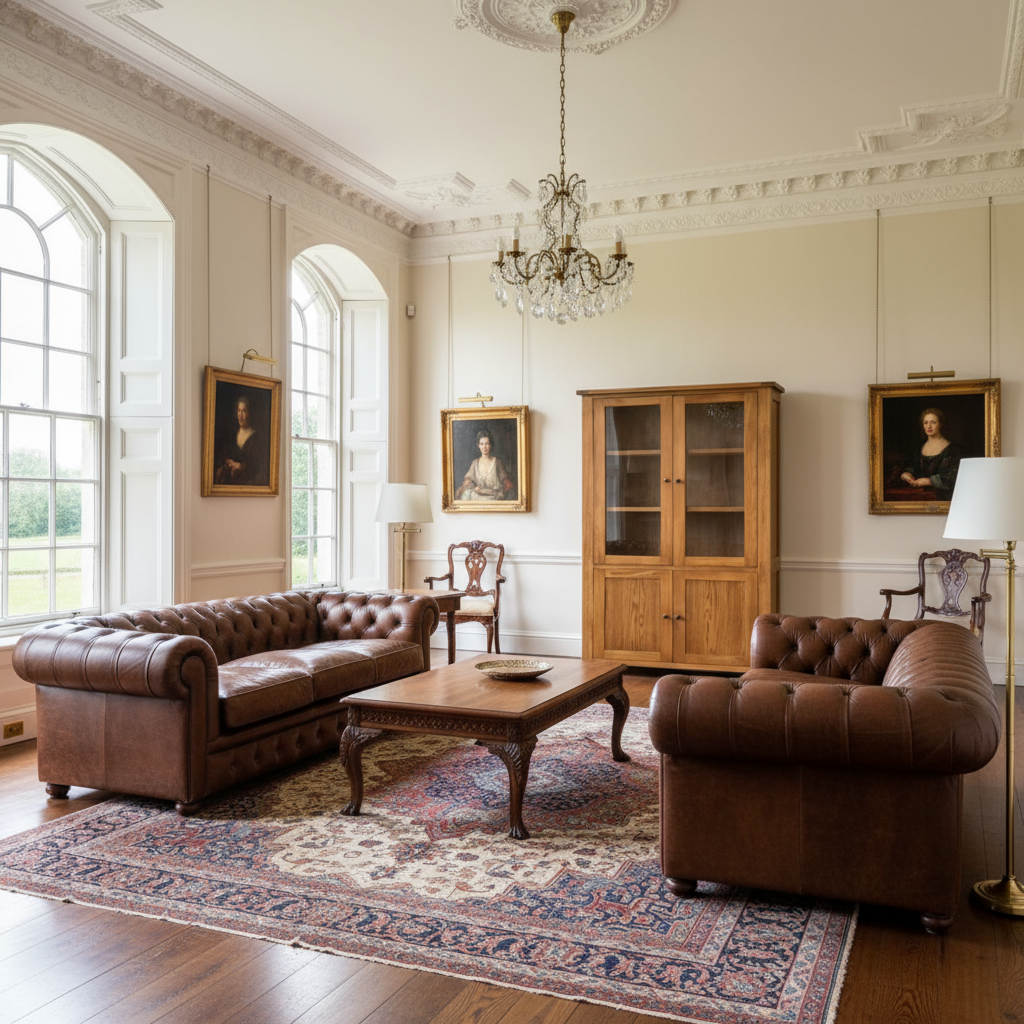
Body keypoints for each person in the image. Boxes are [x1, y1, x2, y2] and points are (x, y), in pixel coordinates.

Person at [900, 407, 961, 498]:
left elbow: (952, 477)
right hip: (919, 495)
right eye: (926, 422)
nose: (929, 426)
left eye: (933, 422)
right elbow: (913, 467)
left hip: (942, 497)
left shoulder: (951, 449)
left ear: (940, 424)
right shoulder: (920, 446)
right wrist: (907, 474)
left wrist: (929, 481)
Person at [215, 394, 268, 486]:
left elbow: (258, 468)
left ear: (249, 414)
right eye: (239, 411)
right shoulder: (232, 435)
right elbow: (223, 456)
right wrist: (229, 463)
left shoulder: (256, 438)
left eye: (244, 411)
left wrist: (241, 467)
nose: (240, 415)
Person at [458, 429, 514, 501]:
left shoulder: (497, 462)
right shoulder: (475, 463)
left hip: (494, 497)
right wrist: (473, 487)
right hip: (477, 496)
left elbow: (506, 481)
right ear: (478, 446)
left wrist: (502, 488)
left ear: (490, 445)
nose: (484, 447)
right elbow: (468, 480)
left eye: (487, 443)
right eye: (481, 444)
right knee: (466, 494)